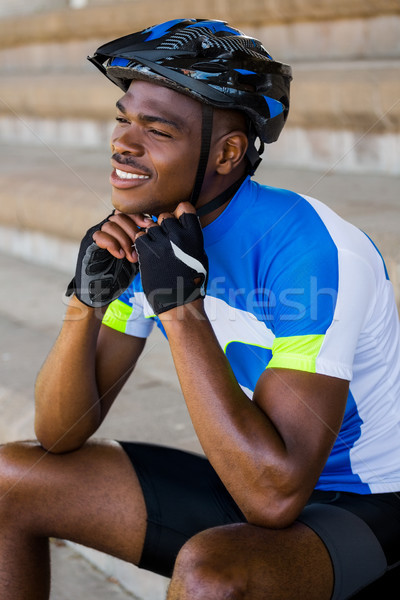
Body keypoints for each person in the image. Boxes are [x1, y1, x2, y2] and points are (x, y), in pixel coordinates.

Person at [0, 18, 399, 600]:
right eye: (123, 118)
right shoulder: (151, 237)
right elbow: (59, 435)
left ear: (228, 152)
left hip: (365, 502)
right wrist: (85, 302)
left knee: (213, 574)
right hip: (246, 474)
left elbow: (275, 496)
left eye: (156, 129)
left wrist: (181, 310)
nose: (123, 143)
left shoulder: (310, 250)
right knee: (13, 480)